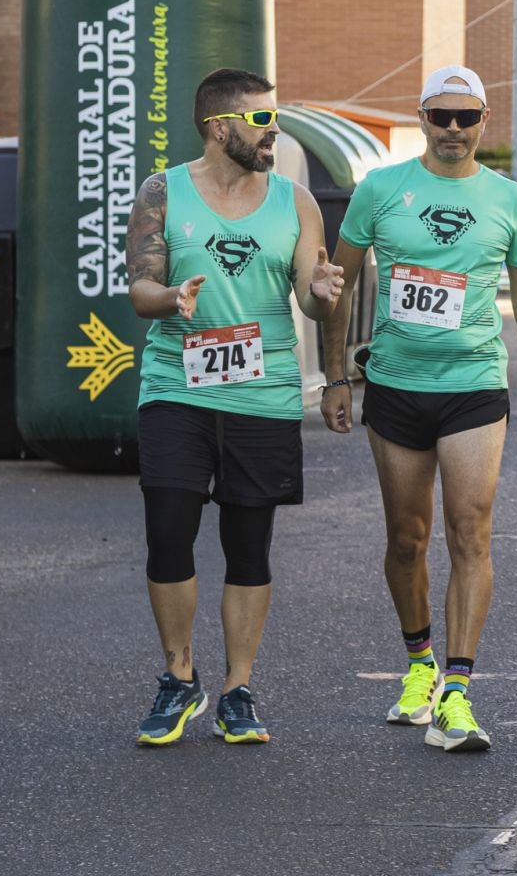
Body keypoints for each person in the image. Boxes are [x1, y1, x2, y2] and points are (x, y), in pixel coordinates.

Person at [321, 65, 517, 754]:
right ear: (422, 118)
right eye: (441, 116)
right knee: (406, 538)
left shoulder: (508, 198)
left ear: (484, 120)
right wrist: (337, 376)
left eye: (466, 117)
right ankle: (420, 662)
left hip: (474, 385)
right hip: (395, 385)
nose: (454, 129)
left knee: (471, 530)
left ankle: (458, 688)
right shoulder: (380, 189)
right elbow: (340, 282)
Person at [125, 68, 345, 745]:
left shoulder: (297, 201)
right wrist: (173, 300)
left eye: (273, 118)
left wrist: (319, 288)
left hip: (263, 392)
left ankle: (237, 689)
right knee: (168, 533)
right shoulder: (161, 192)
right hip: (176, 388)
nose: (271, 130)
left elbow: (308, 296)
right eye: (260, 119)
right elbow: (141, 288)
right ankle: (178, 677)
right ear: (220, 127)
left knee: (248, 547)